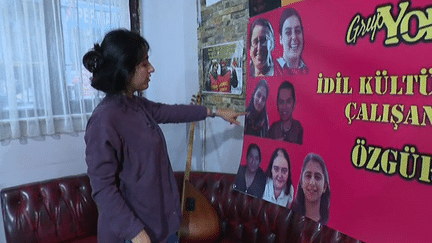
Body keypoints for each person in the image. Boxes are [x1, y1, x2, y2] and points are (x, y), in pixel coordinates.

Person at [83, 29, 245, 243]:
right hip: (132, 235)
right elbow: (103, 189)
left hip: (160, 226)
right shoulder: (104, 120)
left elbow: (172, 112)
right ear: (125, 70)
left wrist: (216, 112)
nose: (151, 69)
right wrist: (136, 233)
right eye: (144, 64)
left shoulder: (136, 105)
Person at [292, 153, 331, 224]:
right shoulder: (290, 216)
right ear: (301, 182)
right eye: (308, 176)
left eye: (317, 177)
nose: (312, 182)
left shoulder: (330, 224)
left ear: (324, 187)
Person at [275, 8, 308, 76]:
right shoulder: (272, 69)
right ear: (281, 38)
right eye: (288, 32)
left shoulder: (308, 71)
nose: (294, 37)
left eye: (297, 31)